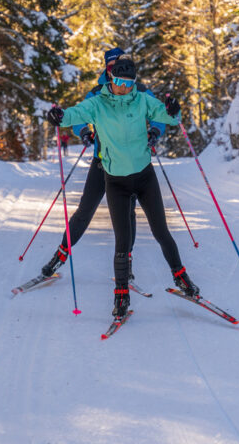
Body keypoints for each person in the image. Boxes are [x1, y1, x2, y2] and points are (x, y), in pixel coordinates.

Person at [46, 56, 198, 319]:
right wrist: (60, 117)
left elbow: (167, 117)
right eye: (118, 81)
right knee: (122, 241)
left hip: (144, 177)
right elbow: (75, 114)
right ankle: (121, 294)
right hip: (115, 182)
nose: (123, 87)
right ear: (110, 79)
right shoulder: (98, 103)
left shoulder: (142, 100)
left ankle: (181, 278)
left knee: (162, 231)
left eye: (129, 83)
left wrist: (173, 110)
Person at [40, 47, 166, 280]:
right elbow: (79, 114)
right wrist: (84, 133)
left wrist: (155, 131)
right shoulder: (97, 93)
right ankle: (60, 255)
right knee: (85, 210)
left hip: (132, 165)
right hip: (103, 163)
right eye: (110, 67)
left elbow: (160, 113)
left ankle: (125, 264)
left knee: (129, 214)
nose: (114, 71)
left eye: (118, 66)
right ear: (106, 68)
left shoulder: (139, 91)